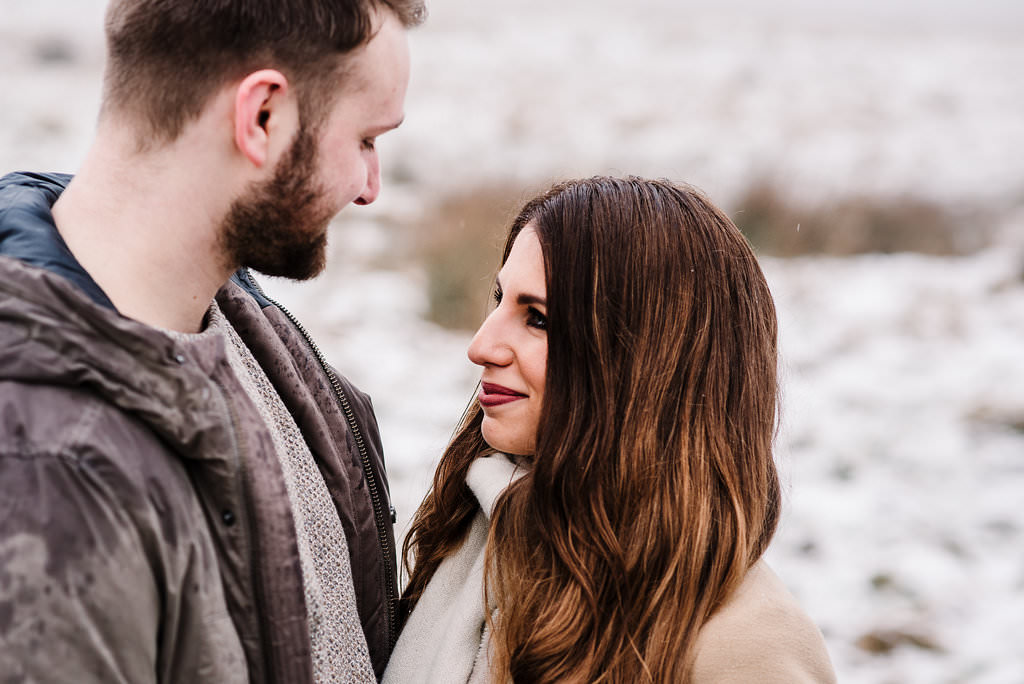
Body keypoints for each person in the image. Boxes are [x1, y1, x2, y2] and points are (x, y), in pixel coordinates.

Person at [0, 0, 425, 682]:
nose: (370, 188)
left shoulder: (254, 336)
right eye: (368, 140)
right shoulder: (40, 479)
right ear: (262, 117)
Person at [385, 176, 838, 683]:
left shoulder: (742, 648)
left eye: (537, 318)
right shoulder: (472, 540)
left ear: (644, 361)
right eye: (499, 299)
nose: (481, 345)